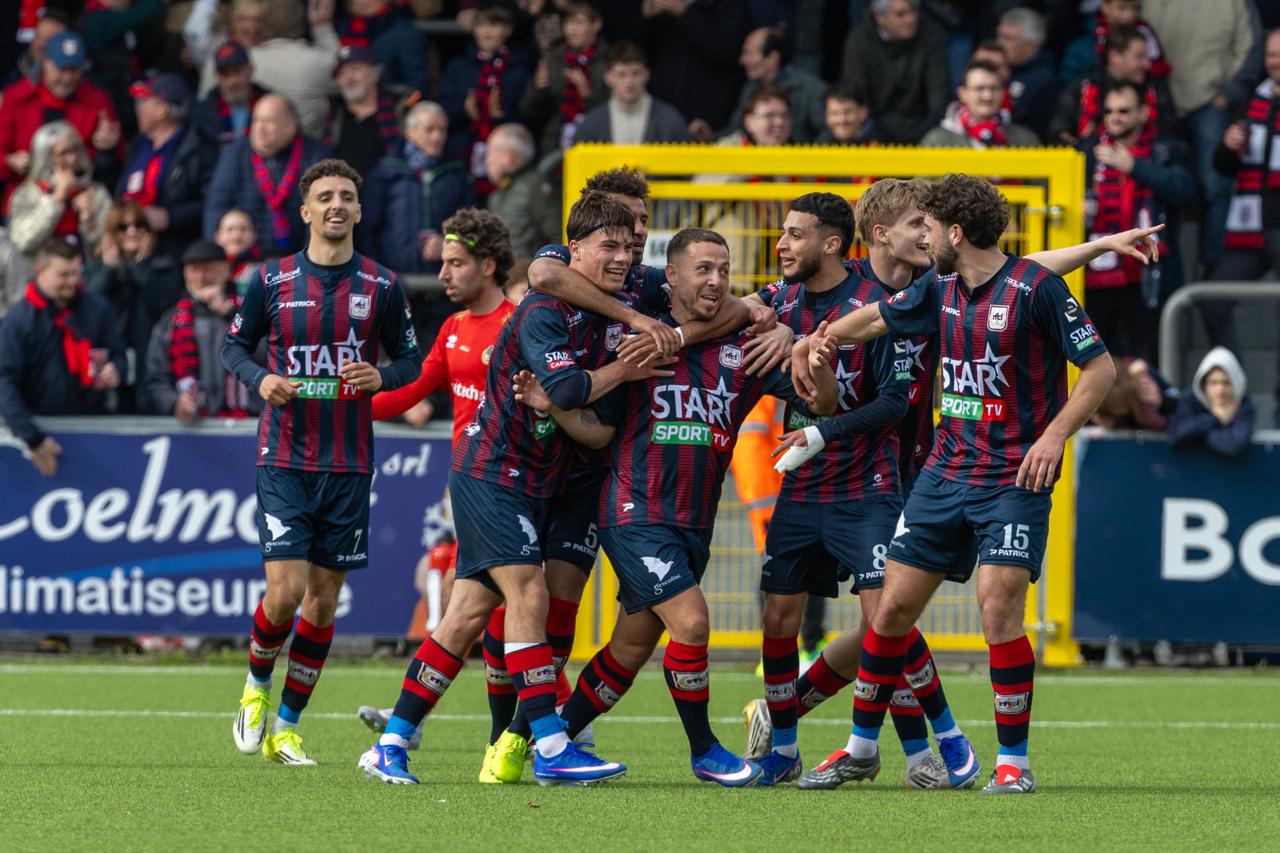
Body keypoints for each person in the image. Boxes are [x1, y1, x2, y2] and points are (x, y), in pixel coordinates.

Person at [788, 174, 1117, 794]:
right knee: (891, 611)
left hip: (1015, 475)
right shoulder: (938, 289)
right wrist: (823, 337)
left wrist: (1053, 437)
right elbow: (876, 319)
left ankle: (1013, 763)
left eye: (931, 226)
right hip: (944, 476)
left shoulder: (1036, 289)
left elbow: (1100, 368)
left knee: (998, 610)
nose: (924, 236)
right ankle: (861, 749)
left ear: (955, 233)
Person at [511, 227, 839, 787]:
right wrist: (556, 404)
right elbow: (596, 430)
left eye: (723, 269)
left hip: (693, 522)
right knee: (691, 623)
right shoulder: (635, 343)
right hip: (633, 512)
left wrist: (806, 351)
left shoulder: (746, 351)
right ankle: (705, 750)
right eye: (702, 269)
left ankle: (553, 742)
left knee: (629, 649)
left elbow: (823, 403)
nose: (715, 280)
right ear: (674, 277)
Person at [356, 192, 649, 786]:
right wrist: (627, 365)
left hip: (537, 479)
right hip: (493, 471)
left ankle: (391, 742)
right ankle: (549, 742)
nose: (623, 256)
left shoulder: (615, 309)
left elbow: (595, 425)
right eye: (609, 245)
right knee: (529, 597)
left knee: (465, 616)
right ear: (576, 249)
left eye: (630, 245)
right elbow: (566, 391)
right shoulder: (543, 308)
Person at [730, 192, 960, 789]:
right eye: (918, 224)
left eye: (794, 234)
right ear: (880, 235)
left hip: (889, 474)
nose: (781, 244)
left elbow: (889, 399)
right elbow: (746, 312)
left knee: (886, 620)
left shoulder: (907, 295)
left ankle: (923, 748)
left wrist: (823, 424)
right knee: (797, 619)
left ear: (836, 241)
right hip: (812, 482)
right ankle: (787, 739)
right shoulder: (791, 296)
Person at [221, 158, 422, 767]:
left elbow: (412, 361)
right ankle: (256, 688)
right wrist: (259, 380)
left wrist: (380, 376)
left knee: (324, 602)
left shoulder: (383, 286)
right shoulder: (272, 279)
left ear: (359, 210)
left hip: (349, 461)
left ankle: (286, 727)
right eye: (325, 196)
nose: (336, 205)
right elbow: (233, 345)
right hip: (283, 455)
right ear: (305, 210)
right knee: (283, 595)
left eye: (346, 195)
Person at [354, 208, 517, 747]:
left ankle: (422, 723)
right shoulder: (452, 329)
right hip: (470, 482)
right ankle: (513, 735)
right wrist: (349, 406)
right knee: (483, 608)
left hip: (509, 483)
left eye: (455, 263)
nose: (443, 274)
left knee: (495, 610)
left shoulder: (518, 326)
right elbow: (417, 388)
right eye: (443, 263)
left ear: (488, 265)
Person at [1144, 0, 1260, 275]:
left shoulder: (1235, 3)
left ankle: (1212, 268)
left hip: (1211, 102)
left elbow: (1252, 49)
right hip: (1157, 103)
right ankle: (1159, 267)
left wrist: (1227, 95)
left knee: (1216, 187)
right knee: (1156, 186)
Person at [1082, 81, 1195, 361]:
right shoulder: (1088, 151)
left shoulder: (1164, 149)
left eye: (1123, 110)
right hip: (1096, 272)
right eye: (1108, 111)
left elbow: (1185, 192)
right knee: (1096, 360)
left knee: (1147, 360)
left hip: (1146, 272)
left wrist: (1134, 166)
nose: (1114, 117)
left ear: (1143, 112)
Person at [0, 237, 126, 478]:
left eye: (76, 273)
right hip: (39, 433)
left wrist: (115, 370)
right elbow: (4, 381)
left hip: (93, 428)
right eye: (63, 275)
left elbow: (118, 353)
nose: (72, 282)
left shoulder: (97, 308)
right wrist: (32, 437)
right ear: (40, 272)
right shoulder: (18, 321)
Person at [1203, 27, 1280, 395]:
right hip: (1249, 228)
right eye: (1271, 55)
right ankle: (1233, 393)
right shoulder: (1251, 102)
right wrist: (1228, 146)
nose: (1275, 61)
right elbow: (1222, 166)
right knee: (1213, 304)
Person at [0, 31, 123, 207]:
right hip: (25, 203)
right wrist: (9, 161)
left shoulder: (97, 100)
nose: (67, 78)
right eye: (62, 69)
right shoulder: (15, 98)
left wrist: (107, 150)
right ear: (45, 63)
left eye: (74, 70)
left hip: (80, 205)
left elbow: (114, 168)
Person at [85, 199, 184, 414]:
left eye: (139, 224)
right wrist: (108, 270)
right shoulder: (97, 269)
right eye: (123, 227)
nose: (132, 231)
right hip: (111, 358)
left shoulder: (165, 266)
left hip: (150, 356)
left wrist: (142, 266)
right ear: (112, 233)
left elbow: (164, 307)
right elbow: (88, 306)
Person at [144, 239, 260, 421]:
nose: (200, 276)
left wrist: (230, 314)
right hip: (192, 428)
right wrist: (174, 403)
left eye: (207, 268)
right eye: (193, 269)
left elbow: (269, 358)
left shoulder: (252, 311)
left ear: (227, 270)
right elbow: (156, 376)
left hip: (247, 426)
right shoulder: (171, 320)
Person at [204, 94, 332, 256]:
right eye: (256, 120)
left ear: (290, 126)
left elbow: (321, 213)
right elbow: (216, 207)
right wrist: (217, 258)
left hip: (298, 259)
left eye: (269, 122)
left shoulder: (316, 155)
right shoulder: (235, 153)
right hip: (244, 259)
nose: (260, 128)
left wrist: (310, 262)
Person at [362, 102, 474, 275]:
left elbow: (471, 228)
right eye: (429, 129)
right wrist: (379, 275)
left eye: (442, 130)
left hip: (445, 284)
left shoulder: (458, 174)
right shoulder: (385, 173)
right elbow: (367, 229)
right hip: (394, 284)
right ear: (410, 133)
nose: (437, 137)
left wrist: (447, 243)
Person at [121, 74, 219, 262]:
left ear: (161, 110)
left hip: (173, 253)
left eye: (144, 101)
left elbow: (211, 203)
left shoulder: (199, 149)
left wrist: (170, 218)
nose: (138, 107)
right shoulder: (140, 144)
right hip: (130, 247)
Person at [437, 3, 530, 186]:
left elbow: (529, 117)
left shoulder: (520, 69)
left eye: (493, 25)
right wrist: (464, 110)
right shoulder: (458, 67)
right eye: (481, 25)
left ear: (508, 30)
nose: (486, 31)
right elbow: (443, 110)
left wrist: (502, 116)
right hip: (464, 156)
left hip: (507, 160)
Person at [637, 0, 750, 140]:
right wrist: (647, 19)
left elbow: (724, 48)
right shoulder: (663, 10)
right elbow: (639, 55)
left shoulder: (729, 6)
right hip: (664, 116)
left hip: (709, 117)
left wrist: (683, 12)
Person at [840, 0, 948, 145]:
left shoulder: (932, 35)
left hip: (922, 130)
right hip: (874, 131)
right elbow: (857, 95)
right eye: (900, 14)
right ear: (879, 17)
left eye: (913, 11)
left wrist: (924, 134)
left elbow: (939, 97)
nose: (910, 19)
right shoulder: (859, 40)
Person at [7, 121, 112, 268]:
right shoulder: (26, 194)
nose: (73, 159)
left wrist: (89, 221)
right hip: (38, 278)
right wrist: (55, 200)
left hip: (86, 278)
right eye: (64, 153)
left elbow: (107, 251)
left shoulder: (96, 192)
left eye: (74, 150)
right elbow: (23, 242)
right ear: (46, 158)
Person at [1050, 24, 1176, 147]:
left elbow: (1170, 131)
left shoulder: (1153, 85)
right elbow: (1058, 134)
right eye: (1139, 57)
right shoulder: (1083, 87)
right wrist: (1086, 147)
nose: (1147, 64)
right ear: (1115, 56)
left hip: (1147, 163)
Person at [519, 1, 607, 154]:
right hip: (555, 145)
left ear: (596, 24)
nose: (571, 29)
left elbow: (616, 110)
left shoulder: (609, 59)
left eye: (578, 23)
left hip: (597, 144)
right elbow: (528, 109)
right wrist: (538, 89)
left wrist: (587, 94)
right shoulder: (554, 57)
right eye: (567, 23)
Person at [248, 0, 342, 139]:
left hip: (256, 147)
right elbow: (347, 72)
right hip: (310, 150)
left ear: (263, 24)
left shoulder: (245, 60)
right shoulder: (317, 61)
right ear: (302, 22)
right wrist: (322, 28)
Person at [575, 40, 691, 145]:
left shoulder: (671, 121)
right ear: (608, 78)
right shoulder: (590, 124)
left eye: (636, 73)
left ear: (647, 75)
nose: (629, 82)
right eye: (621, 74)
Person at [731, 27, 826, 143]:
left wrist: (807, 157)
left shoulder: (811, 89)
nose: (742, 60)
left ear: (772, 58)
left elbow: (829, 130)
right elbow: (736, 129)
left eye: (749, 53)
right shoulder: (751, 88)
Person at [321, 44, 403, 179]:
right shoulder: (331, 115)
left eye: (355, 69)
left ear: (375, 75)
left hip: (390, 192)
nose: (349, 77)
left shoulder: (399, 112)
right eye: (341, 73)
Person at [921, 60, 1040, 149]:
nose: (987, 96)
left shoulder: (1024, 140)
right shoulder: (937, 141)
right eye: (979, 89)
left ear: (1004, 93)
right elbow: (923, 181)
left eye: (994, 88)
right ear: (962, 94)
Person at [483, 123, 557, 258]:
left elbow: (557, 237)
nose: (487, 160)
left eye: (490, 153)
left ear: (509, 157)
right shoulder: (499, 192)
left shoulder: (535, 188)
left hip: (529, 276)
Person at [1168, 346, 1255, 457]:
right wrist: (1216, 418)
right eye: (1213, 383)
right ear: (1204, 385)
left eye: (1226, 383)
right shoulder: (1190, 399)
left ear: (1235, 384)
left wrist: (1196, 435)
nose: (1220, 390)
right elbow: (1176, 435)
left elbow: (1234, 445)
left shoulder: (1243, 405)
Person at [1059, 0, 1171, 85]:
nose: (1128, 15)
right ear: (1105, 7)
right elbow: (1068, 91)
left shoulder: (1146, 40)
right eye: (1121, 8)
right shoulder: (1082, 48)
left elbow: (1158, 87)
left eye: (1134, 8)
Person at [336, 0, 429, 99]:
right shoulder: (343, 26)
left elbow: (417, 85)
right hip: (349, 108)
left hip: (388, 109)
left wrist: (400, 108)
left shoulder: (402, 33)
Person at [995, 7, 1061, 142]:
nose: (999, 43)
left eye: (1007, 38)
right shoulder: (995, 68)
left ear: (1030, 46)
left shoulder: (1045, 81)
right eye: (999, 35)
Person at [191, 41, 270, 148]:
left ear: (251, 70)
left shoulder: (270, 104)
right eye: (225, 74)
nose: (232, 81)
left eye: (237, 72)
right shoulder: (204, 111)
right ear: (217, 76)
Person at [184, 0, 268, 97]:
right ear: (233, 22)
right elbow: (195, 32)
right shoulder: (217, 47)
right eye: (246, 19)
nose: (253, 25)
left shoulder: (273, 50)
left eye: (260, 20)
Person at [214, 208, 263, 295]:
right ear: (217, 236)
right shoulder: (206, 270)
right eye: (229, 229)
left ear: (255, 234)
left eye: (243, 229)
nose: (236, 236)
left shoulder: (266, 270)